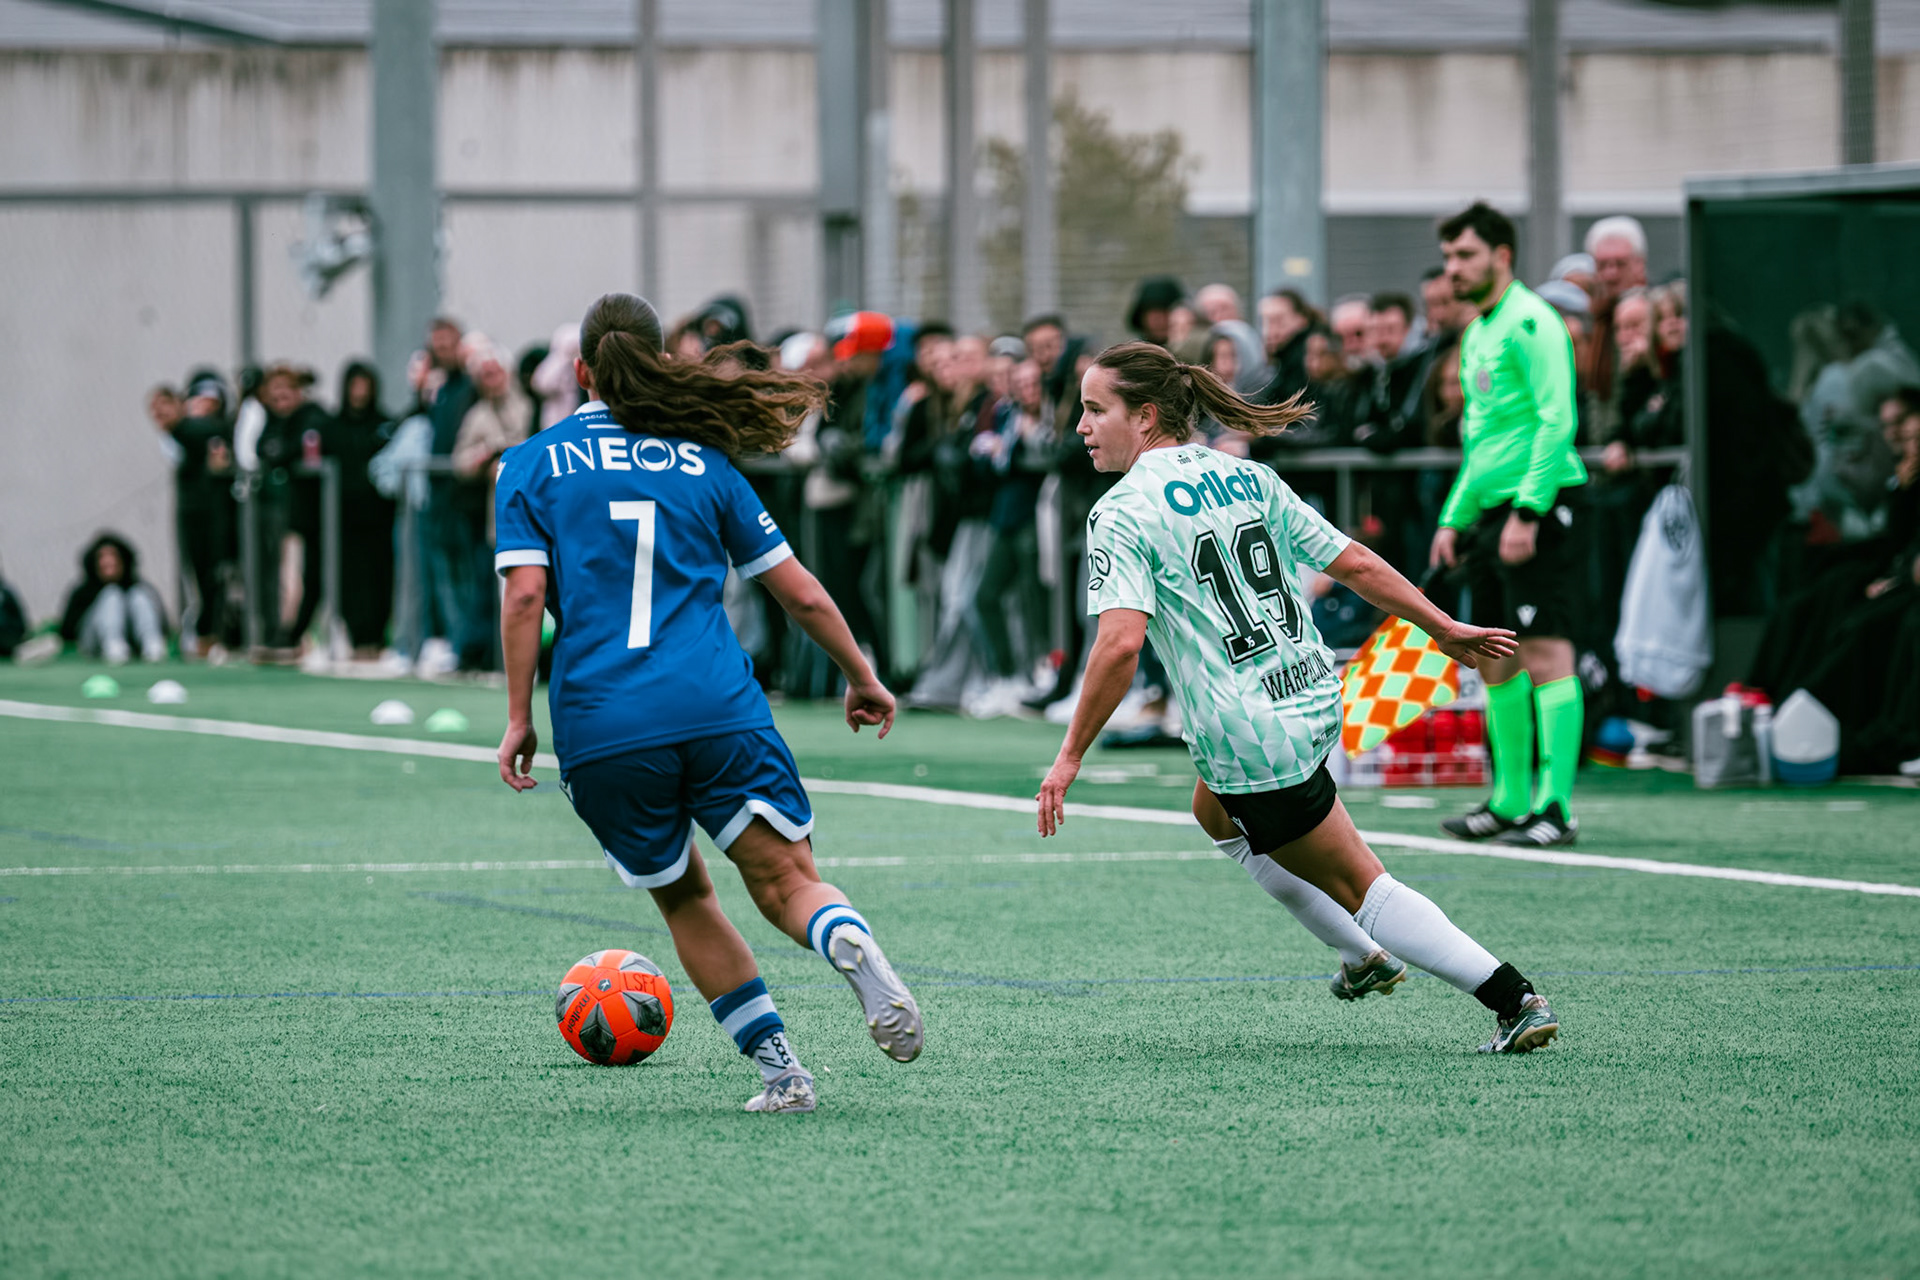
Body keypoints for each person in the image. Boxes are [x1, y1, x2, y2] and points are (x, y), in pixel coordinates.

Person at [1034, 341, 1558, 1054]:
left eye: (1096, 410)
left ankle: (1511, 997)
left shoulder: (1122, 510)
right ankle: (1362, 957)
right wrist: (1441, 627)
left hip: (1250, 729)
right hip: (1310, 692)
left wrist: (1068, 756)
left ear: (1147, 415)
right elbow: (1356, 563)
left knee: (1361, 882)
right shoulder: (1246, 476)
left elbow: (1120, 645)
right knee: (1212, 808)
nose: (1083, 427)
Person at [493, 292, 923, 1115]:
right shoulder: (704, 461)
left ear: (580, 370)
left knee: (687, 897)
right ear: (659, 362)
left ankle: (783, 1073)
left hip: (605, 721)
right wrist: (860, 675)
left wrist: (519, 717)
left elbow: (522, 601)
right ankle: (845, 938)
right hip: (719, 706)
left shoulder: (532, 463)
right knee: (790, 880)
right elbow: (795, 592)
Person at [1429, 202, 1589, 849]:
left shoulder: (1532, 321)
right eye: (1448, 259)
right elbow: (1484, 439)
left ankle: (1557, 808)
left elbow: (1558, 421)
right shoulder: (1476, 334)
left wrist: (1528, 511)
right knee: (1495, 659)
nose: (1453, 270)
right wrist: (1455, 517)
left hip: (1539, 510)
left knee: (1547, 653)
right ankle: (1510, 800)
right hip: (1493, 515)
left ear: (1502, 256)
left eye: (1464, 256)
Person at [326, 361, 397, 656]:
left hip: (378, 515)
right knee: (351, 577)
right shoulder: (334, 427)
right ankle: (356, 635)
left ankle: (378, 636)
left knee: (380, 575)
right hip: (344, 516)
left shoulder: (383, 424)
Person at [59, 533, 169, 664]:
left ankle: (152, 645)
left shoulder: (138, 587)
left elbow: (162, 622)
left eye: (113, 556)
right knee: (112, 594)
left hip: (133, 637)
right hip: (93, 643)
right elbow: (68, 630)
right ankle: (114, 646)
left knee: (139, 596)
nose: (108, 561)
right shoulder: (83, 591)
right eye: (102, 557)